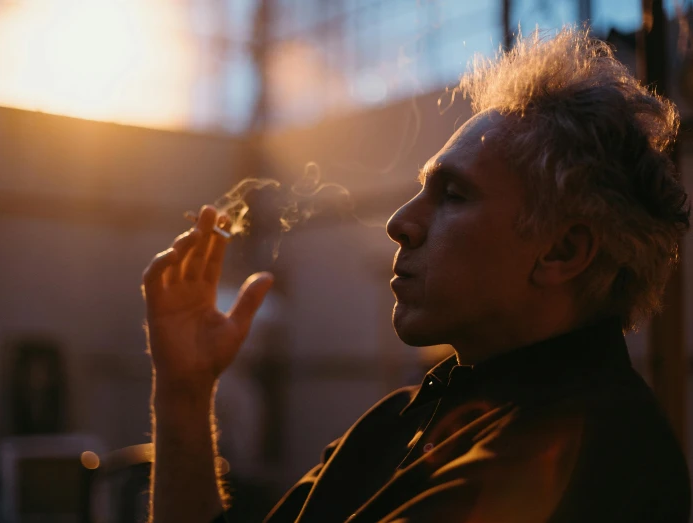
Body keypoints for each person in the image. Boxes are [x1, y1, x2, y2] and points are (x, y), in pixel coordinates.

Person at [141, 27, 691, 523]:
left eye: (453, 195)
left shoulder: (584, 453)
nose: (399, 222)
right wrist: (185, 392)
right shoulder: (398, 422)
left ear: (562, 250)